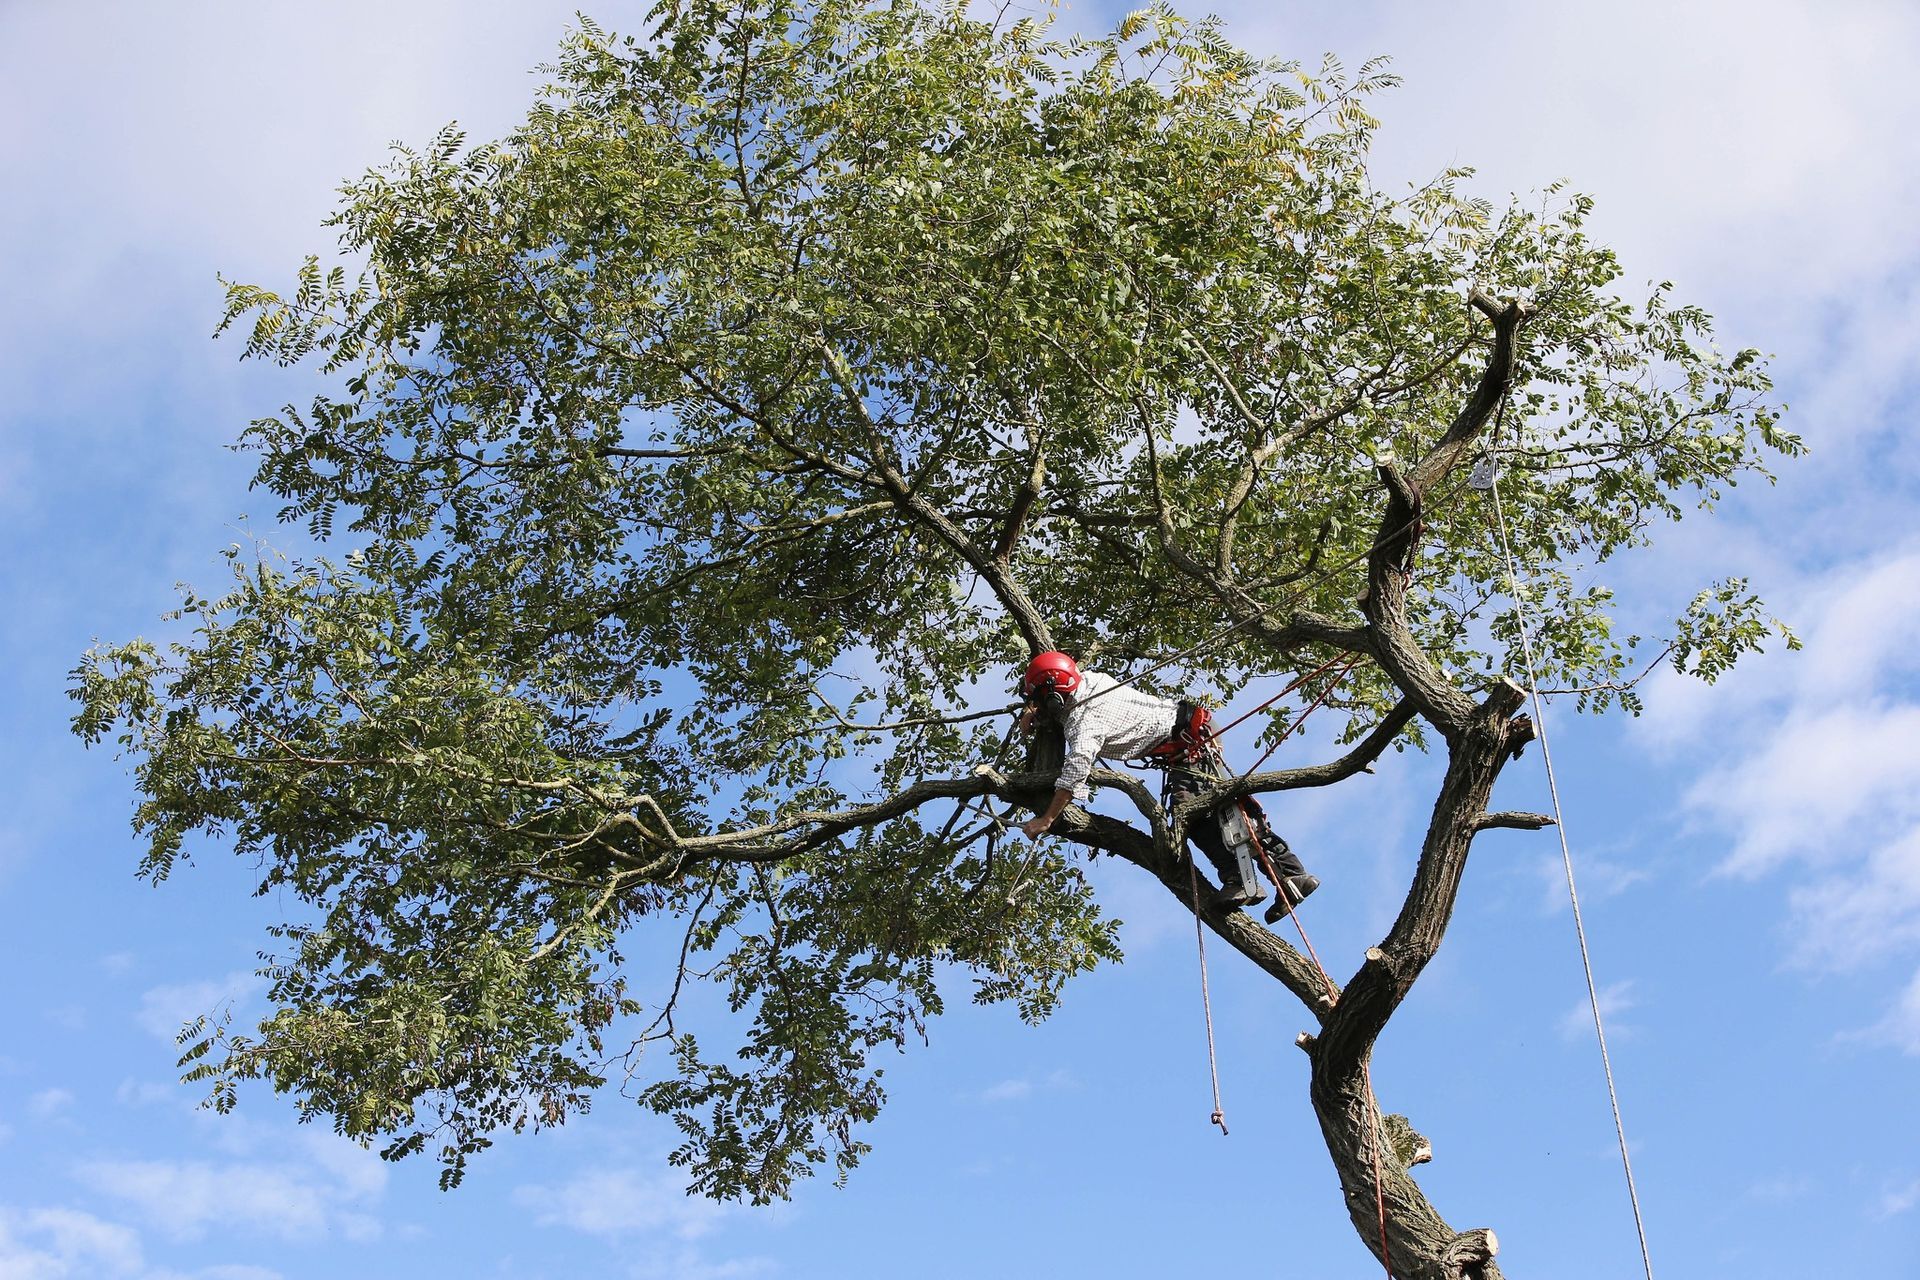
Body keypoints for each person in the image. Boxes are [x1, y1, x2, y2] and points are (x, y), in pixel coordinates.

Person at [1015, 650, 1319, 919]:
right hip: (1186, 740)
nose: (1040, 704)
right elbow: (1062, 701)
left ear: (1056, 693)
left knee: (1202, 817)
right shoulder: (1089, 683)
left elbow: (1075, 771)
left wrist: (1047, 818)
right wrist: (1036, 711)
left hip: (1190, 741)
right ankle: (1283, 878)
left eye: (1041, 698)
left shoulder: (1086, 723)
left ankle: (1251, 880)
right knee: (1216, 816)